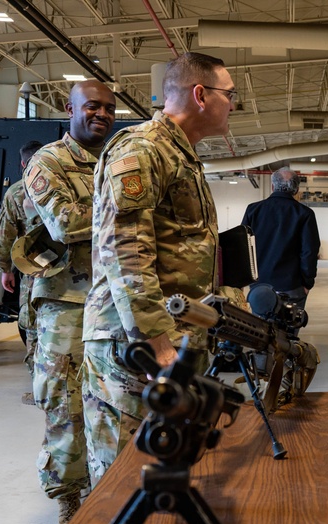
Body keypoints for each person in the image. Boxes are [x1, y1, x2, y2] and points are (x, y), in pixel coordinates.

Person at [83, 52, 236, 486]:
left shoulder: (180, 155)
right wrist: (158, 343)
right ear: (201, 94)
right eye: (230, 94)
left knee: (164, 474)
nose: (233, 104)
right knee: (122, 481)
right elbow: (124, 251)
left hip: (166, 343)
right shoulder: (143, 149)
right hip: (134, 345)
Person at [19, 82, 116, 524]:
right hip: (66, 301)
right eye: (92, 106)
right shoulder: (48, 161)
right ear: (70, 108)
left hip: (114, 299)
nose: (102, 114)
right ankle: (67, 496)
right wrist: (127, 210)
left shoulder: (115, 159)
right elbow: (63, 223)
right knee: (64, 402)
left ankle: (110, 491)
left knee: (113, 400)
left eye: (109, 108)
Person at [0, 139, 45, 393]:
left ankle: (39, 386)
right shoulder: (64, 185)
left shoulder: (16, 192)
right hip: (71, 269)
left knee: (32, 324)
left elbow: (5, 236)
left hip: (33, 270)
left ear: (23, 163)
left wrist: (5, 270)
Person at [241, 166, 321, 312]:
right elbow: (309, 251)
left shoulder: (253, 210)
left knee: (260, 331)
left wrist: (244, 280)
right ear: (296, 189)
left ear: (272, 187)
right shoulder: (305, 214)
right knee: (289, 331)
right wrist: (307, 283)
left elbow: (243, 247)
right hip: (292, 286)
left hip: (260, 286)